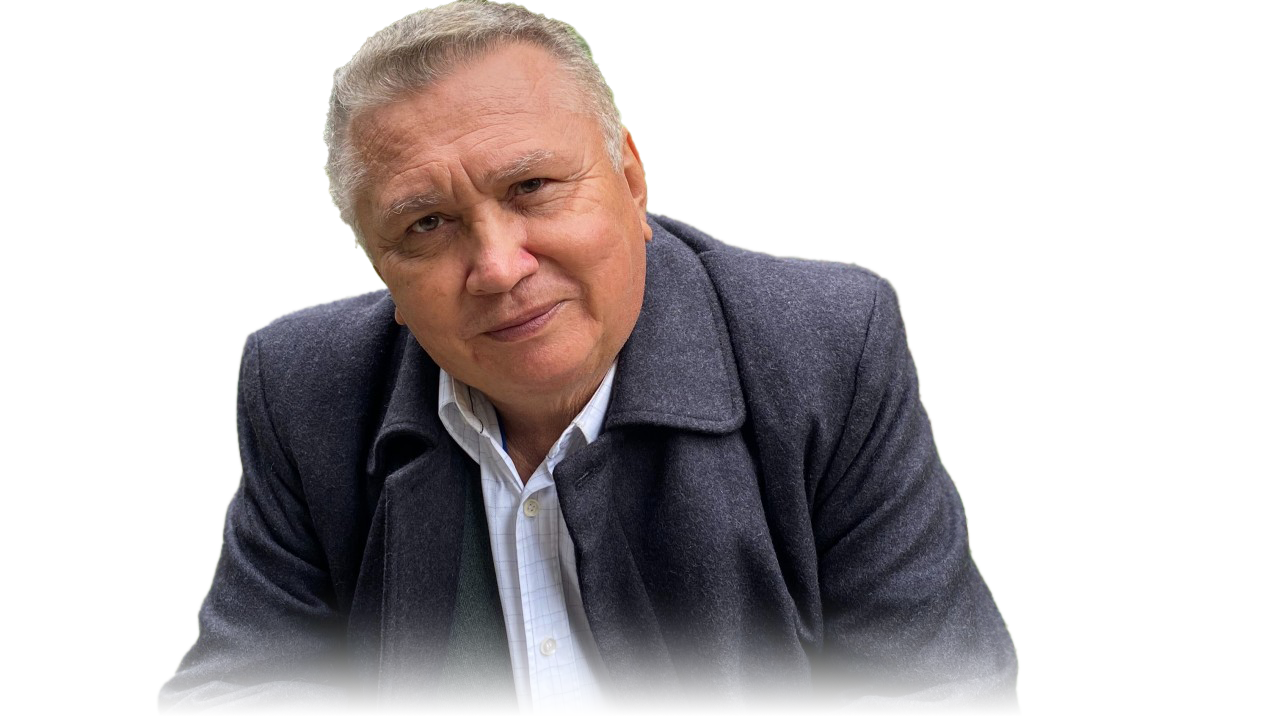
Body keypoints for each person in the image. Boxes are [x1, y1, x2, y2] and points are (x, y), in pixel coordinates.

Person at [157, 1, 1019, 714]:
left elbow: (940, 696)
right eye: (426, 224)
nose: (499, 267)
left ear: (631, 182)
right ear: (381, 268)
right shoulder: (304, 388)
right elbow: (242, 688)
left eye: (531, 187)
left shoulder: (822, 347)